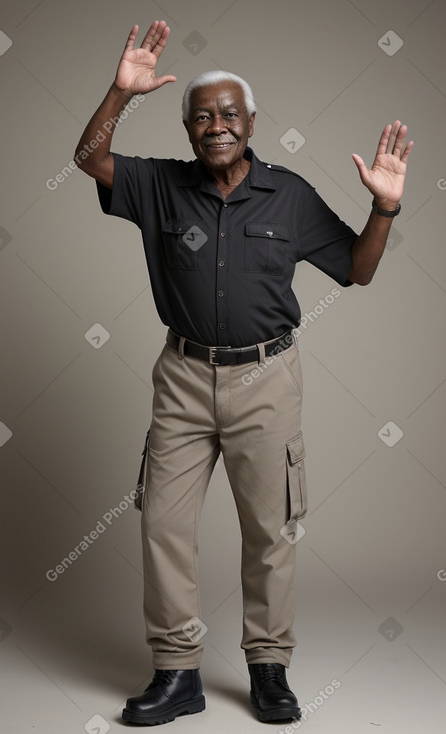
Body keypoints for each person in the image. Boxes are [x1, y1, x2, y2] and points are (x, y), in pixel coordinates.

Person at [75, 20, 413, 726]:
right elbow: (85, 157)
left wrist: (384, 206)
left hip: (267, 379)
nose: (217, 125)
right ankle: (176, 674)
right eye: (202, 117)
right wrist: (119, 91)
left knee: (271, 530)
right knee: (162, 527)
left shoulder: (286, 195)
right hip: (183, 378)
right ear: (188, 130)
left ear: (251, 122)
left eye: (229, 113)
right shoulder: (160, 186)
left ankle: (268, 670)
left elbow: (357, 270)